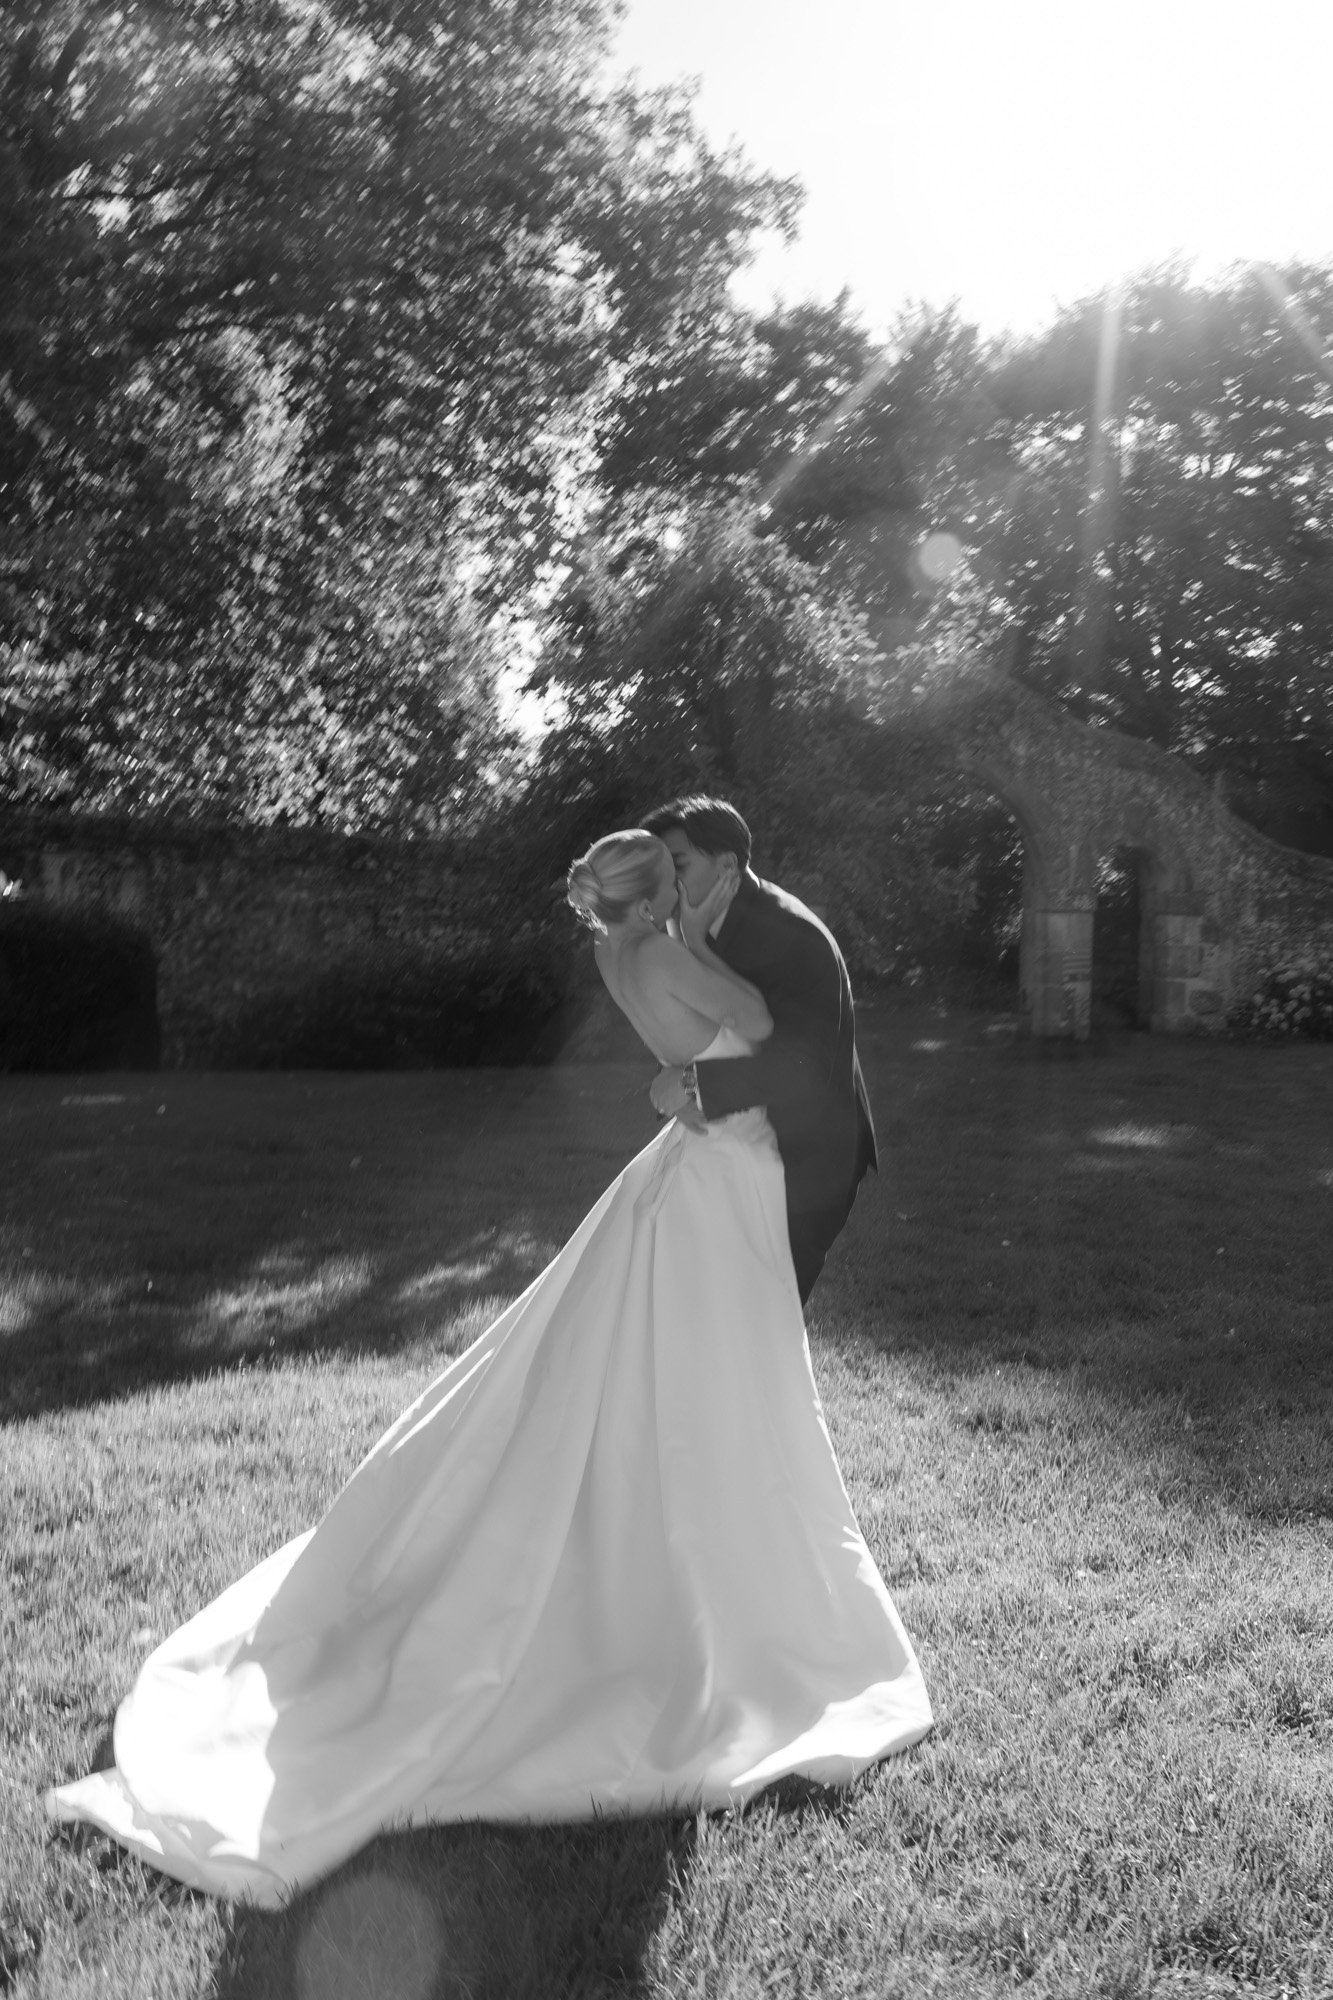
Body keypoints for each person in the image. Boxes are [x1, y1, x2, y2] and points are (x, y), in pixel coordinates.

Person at [46, 830, 930, 1908]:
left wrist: (678, 1055)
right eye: (677, 874)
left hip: (691, 1161)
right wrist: (698, 947)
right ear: (658, 888)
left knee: (653, 1367)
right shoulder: (673, 949)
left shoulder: (617, 953)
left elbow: (688, 1067)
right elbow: (748, 1029)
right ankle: (713, 1586)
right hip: (720, 1179)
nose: (691, 886)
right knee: (717, 1381)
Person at [641, 797, 876, 1303]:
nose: (663, 883)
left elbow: (805, 1068)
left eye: (676, 866)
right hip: (742, 1145)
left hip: (807, 1159)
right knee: (713, 1306)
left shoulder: (792, 937)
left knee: (764, 1313)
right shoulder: (700, 924)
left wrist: (689, 1083)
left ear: (727, 865)